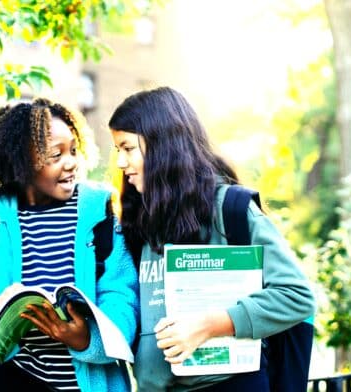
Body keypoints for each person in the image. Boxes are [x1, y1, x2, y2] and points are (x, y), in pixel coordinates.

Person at [108, 86, 315, 391]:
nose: (121, 163)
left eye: (128, 148)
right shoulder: (139, 219)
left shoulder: (229, 210)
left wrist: (210, 325)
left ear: (161, 144)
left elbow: (296, 295)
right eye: (117, 151)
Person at [0, 98, 139, 392]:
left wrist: (85, 338)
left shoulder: (102, 212)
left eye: (73, 150)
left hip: (86, 383)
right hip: (11, 378)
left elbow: (124, 300)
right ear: (21, 162)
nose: (71, 162)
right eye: (55, 155)